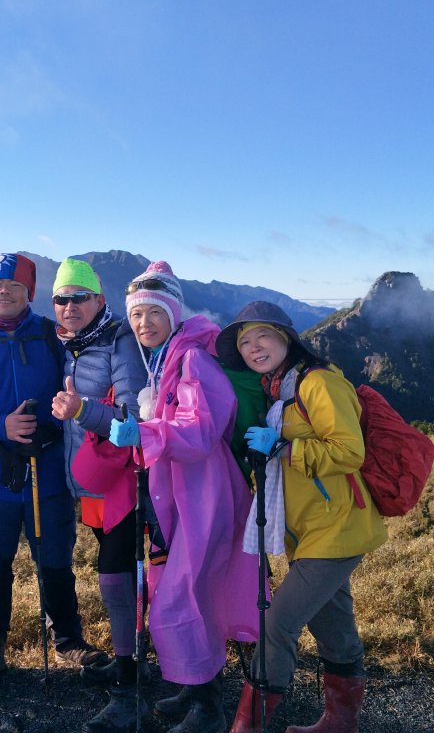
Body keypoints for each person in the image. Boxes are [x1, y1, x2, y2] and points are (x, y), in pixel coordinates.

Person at [215, 301, 388, 733]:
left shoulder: (319, 383)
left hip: (338, 530)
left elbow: (350, 452)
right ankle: (338, 722)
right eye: (245, 342)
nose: (254, 348)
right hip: (310, 532)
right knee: (333, 627)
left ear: (286, 339)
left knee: (278, 623)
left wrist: (284, 448)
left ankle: (249, 725)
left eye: (262, 337)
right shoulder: (281, 391)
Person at [106, 261, 261, 733]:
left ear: (173, 313)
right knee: (180, 591)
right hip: (177, 496)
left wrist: (144, 432)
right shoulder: (168, 355)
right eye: (135, 316)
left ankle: (209, 709)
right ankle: (194, 688)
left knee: (188, 595)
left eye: (153, 313)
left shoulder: (192, 358)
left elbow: (200, 430)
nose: (143, 323)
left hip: (204, 494)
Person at [0, 253, 108, 686]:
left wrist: (51, 423)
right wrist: (1, 426)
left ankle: (69, 642)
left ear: (29, 294)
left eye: (15, 286)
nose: (5, 292)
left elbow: (78, 386)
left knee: (54, 561)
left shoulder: (54, 337)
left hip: (48, 471)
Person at [49, 258, 146, 732]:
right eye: (61, 299)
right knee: (115, 580)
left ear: (100, 301)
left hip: (124, 485)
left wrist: (83, 410)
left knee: (116, 581)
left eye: (79, 298)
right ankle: (131, 661)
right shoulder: (68, 344)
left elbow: (134, 424)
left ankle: (130, 688)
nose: (69, 307)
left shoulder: (119, 340)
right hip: (90, 487)